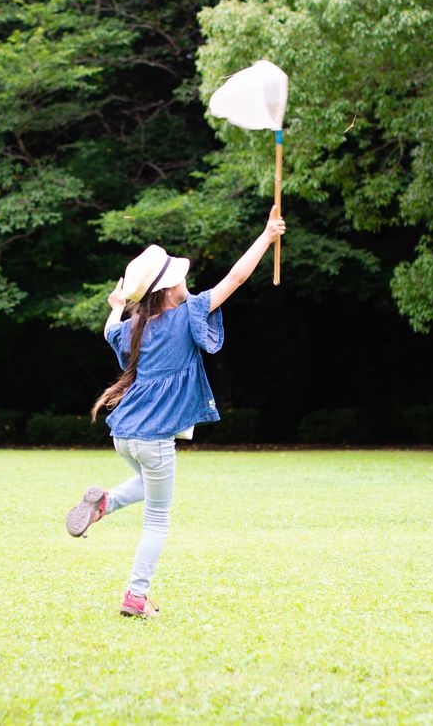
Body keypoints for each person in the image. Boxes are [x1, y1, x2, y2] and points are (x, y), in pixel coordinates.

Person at [65, 207, 287, 618]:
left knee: (149, 486)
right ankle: (135, 595)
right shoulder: (188, 315)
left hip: (125, 436)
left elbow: (108, 329)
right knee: (157, 519)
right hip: (153, 437)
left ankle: (104, 503)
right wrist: (266, 236)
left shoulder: (134, 325)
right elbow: (236, 278)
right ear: (169, 289)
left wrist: (116, 305)